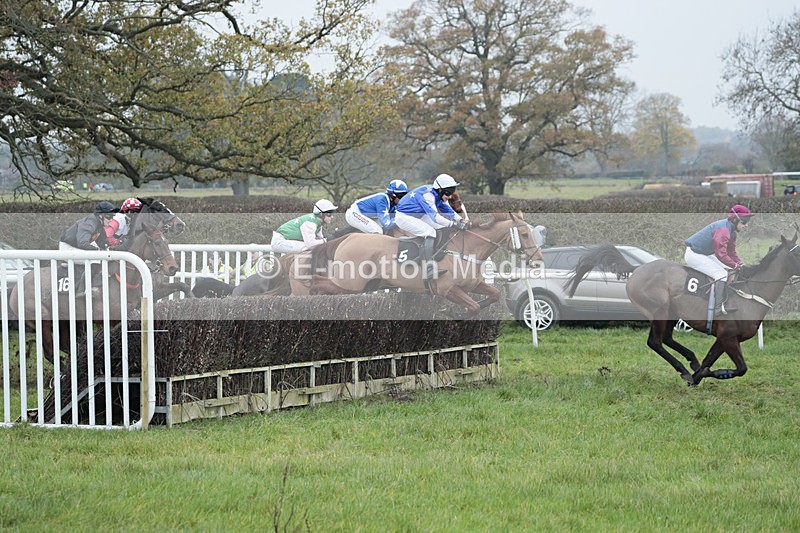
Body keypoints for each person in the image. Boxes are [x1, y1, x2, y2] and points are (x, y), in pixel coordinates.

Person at [394, 174, 468, 279]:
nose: (450, 196)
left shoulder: (438, 193)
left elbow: (448, 211)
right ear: (440, 190)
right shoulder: (428, 196)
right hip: (404, 217)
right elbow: (435, 218)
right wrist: (454, 224)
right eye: (448, 193)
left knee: (442, 227)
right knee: (430, 232)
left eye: (451, 192)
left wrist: (460, 220)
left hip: (418, 214)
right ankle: (428, 268)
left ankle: (434, 254)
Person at [684, 205, 753, 315]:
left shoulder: (732, 232)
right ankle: (717, 308)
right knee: (721, 274)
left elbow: (731, 253)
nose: (746, 225)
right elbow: (721, 255)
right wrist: (735, 265)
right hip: (694, 254)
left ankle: (724, 299)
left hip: (703, 254)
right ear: (735, 219)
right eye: (744, 222)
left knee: (730, 270)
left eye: (748, 222)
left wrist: (740, 264)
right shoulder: (724, 230)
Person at [270, 199, 337, 254]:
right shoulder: (310, 224)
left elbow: (320, 241)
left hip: (284, 240)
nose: (332, 217)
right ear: (320, 214)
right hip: (279, 242)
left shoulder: (318, 223)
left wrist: (327, 241)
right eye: (329, 214)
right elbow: (311, 244)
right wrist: (327, 240)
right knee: (306, 248)